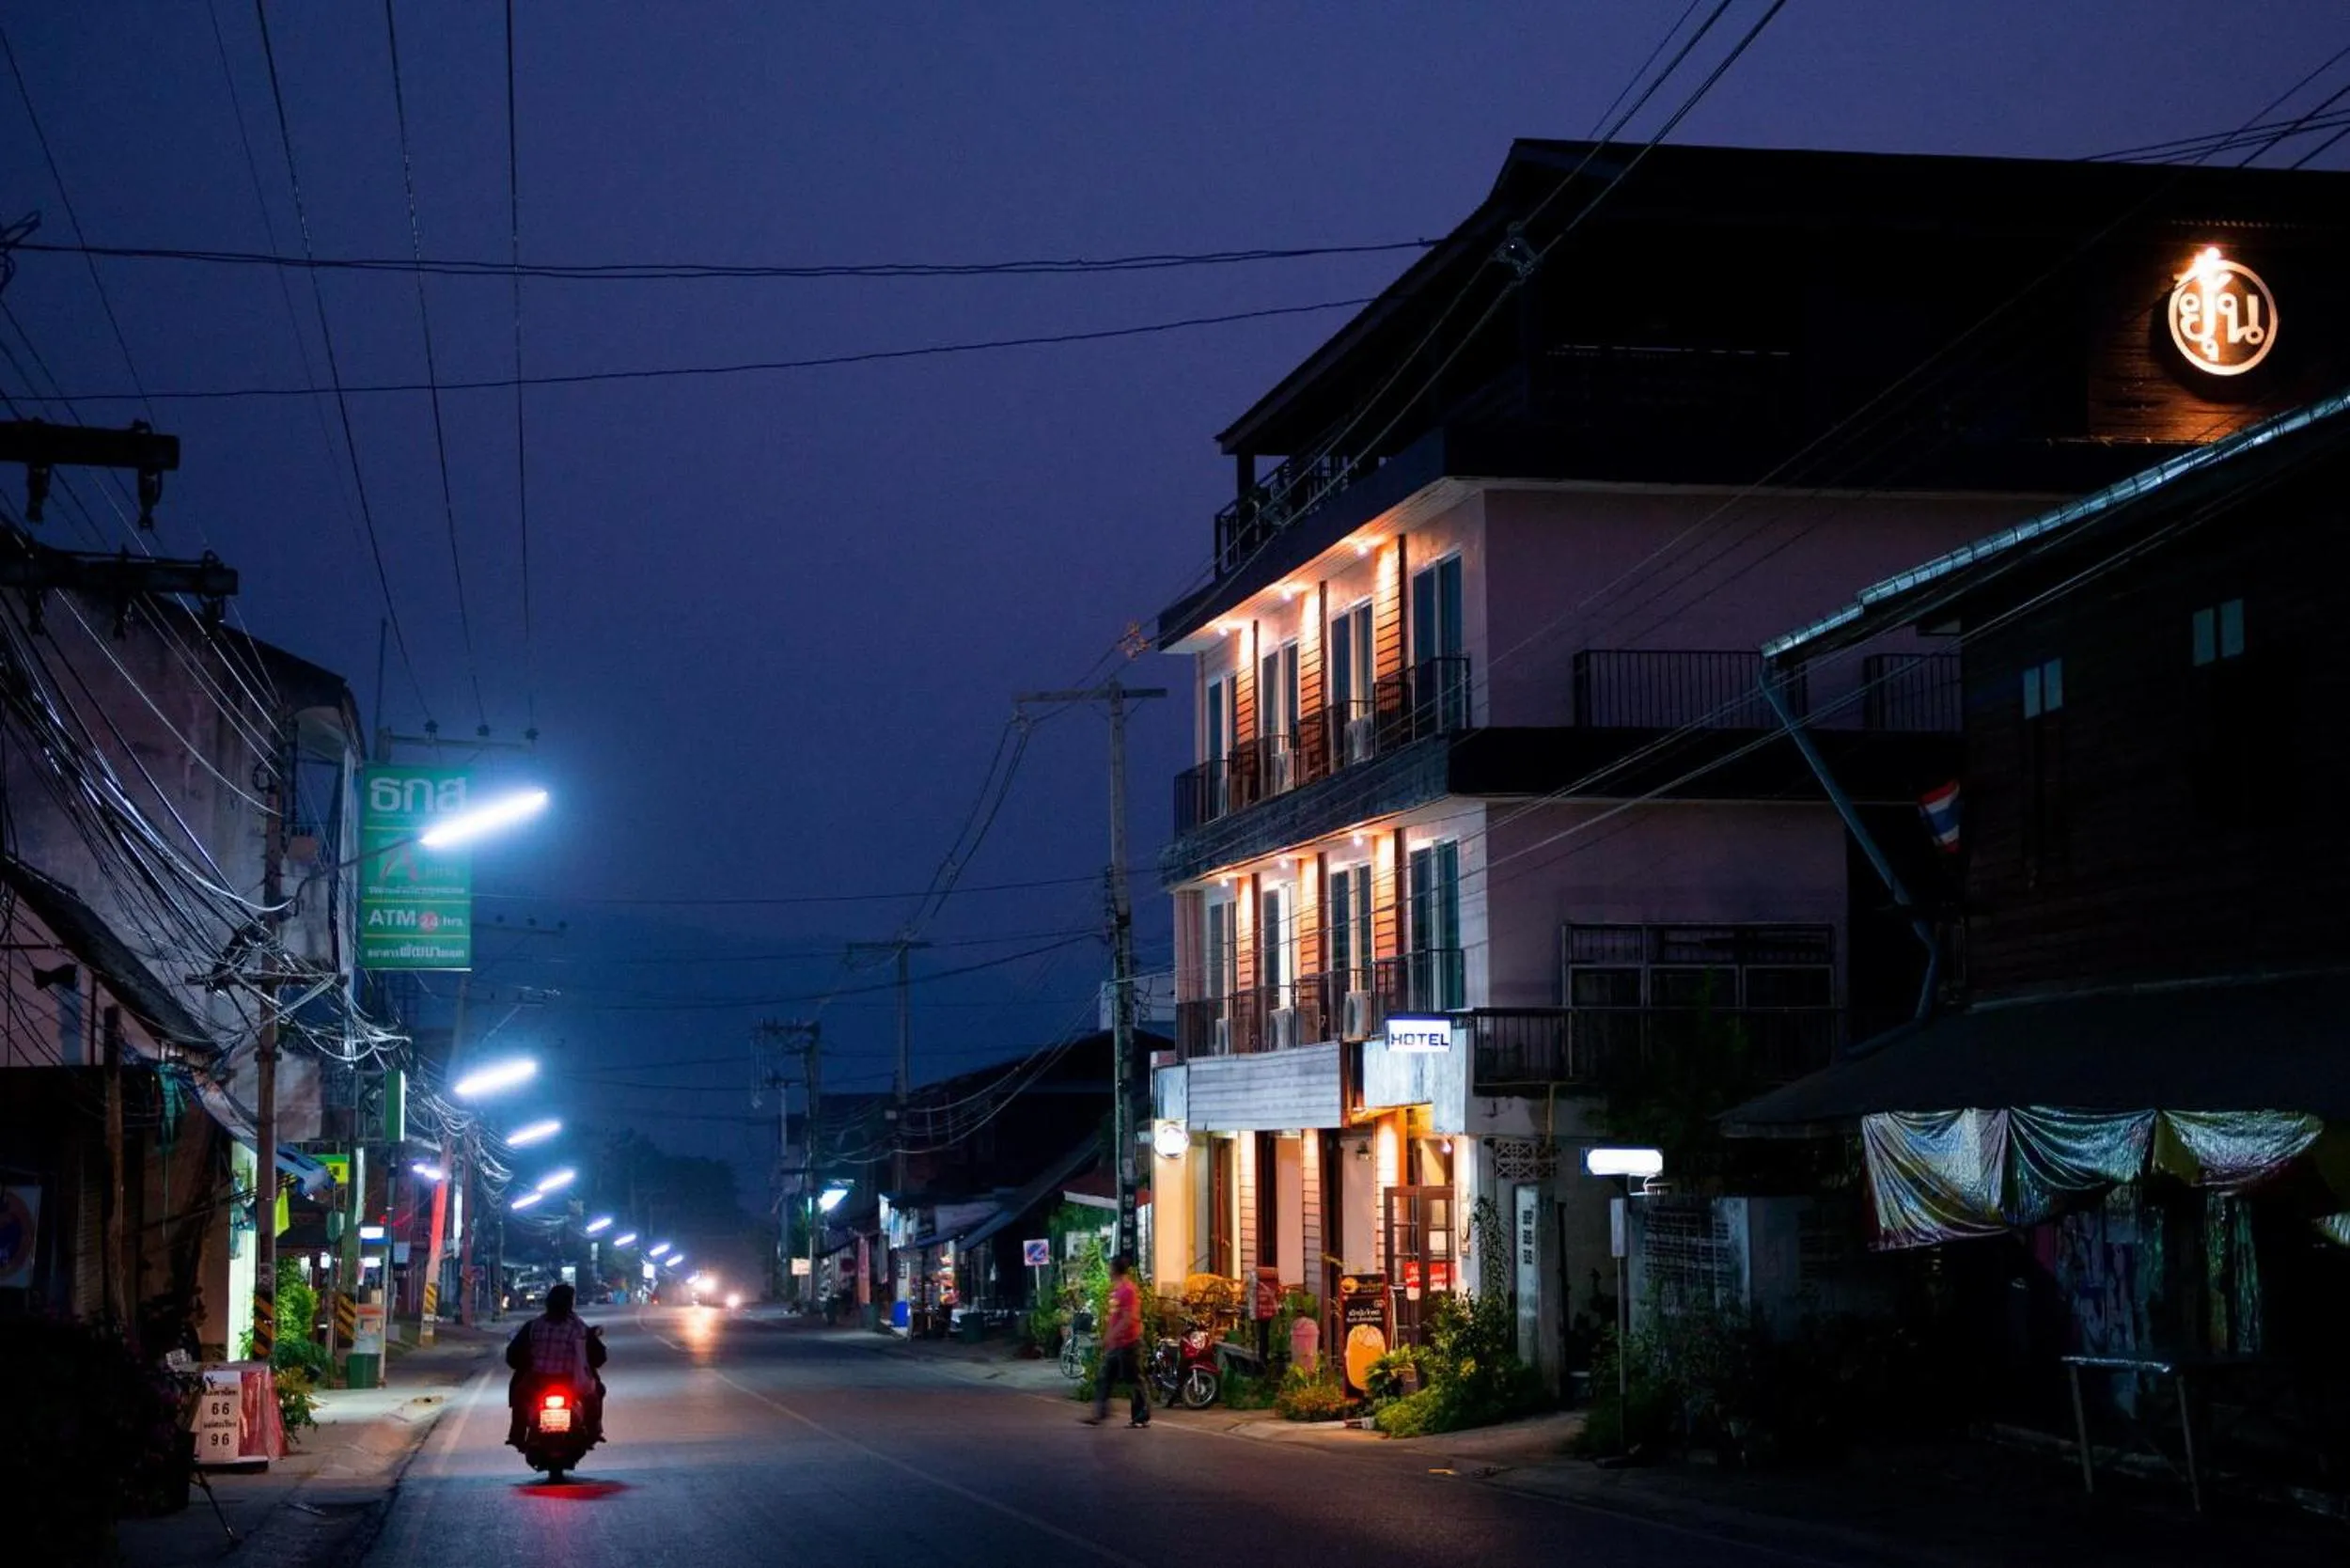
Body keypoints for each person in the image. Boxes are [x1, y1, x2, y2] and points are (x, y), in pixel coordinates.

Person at [505, 1282, 608, 1447]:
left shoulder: (534, 1326)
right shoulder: (578, 1328)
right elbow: (599, 1357)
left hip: (537, 1380)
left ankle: (517, 1435)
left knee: (519, 1396)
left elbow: (513, 1356)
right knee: (596, 1393)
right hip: (570, 1381)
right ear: (570, 1304)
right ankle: (593, 1432)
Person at [1082, 1254, 1149, 1429]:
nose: (1108, 1270)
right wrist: (1109, 1336)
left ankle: (1141, 1417)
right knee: (1104, 1377)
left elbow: (1127, 1318)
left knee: (1133, 1380)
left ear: (1115, 1269)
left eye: (1110, 1267)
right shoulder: (1117, 1290)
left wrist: (1111, 1335)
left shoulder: (1128, 1290)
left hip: (1129, 1343)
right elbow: (1115, 1317)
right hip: (1117, 1344)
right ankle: (1100, 1413)